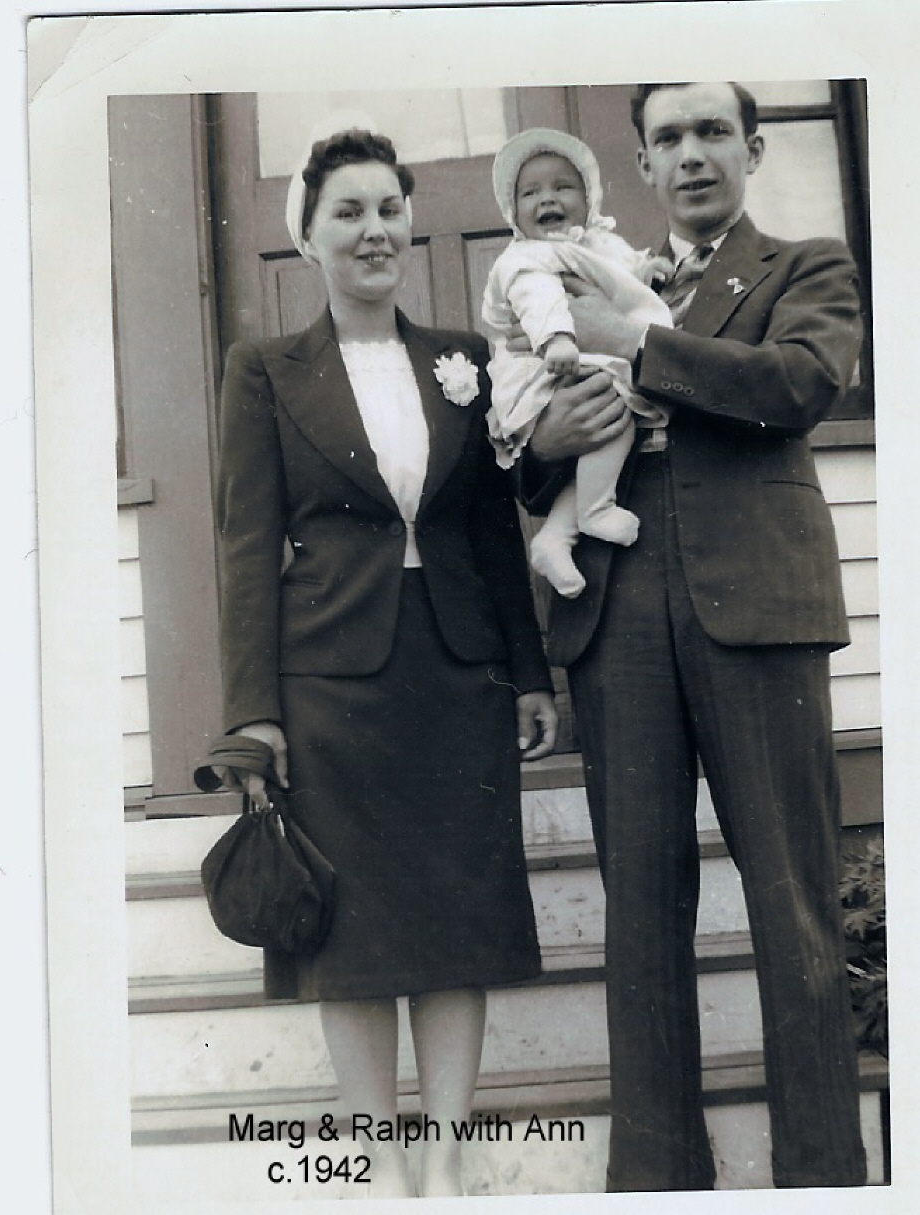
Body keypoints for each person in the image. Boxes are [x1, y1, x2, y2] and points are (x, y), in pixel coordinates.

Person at [518, 82, 868, 1191]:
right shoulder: (592, 269)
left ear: (752, 148)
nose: (692, 155)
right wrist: (552, 435)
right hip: (617, 609)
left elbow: (803, 383)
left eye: (712, 132)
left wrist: (643, 345)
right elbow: (536, 450)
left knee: (793, 902)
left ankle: (820, 1178)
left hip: (758, 612)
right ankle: (659, 1182)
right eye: (667, 138)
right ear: (644, 164)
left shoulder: (804, 265)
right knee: (640, 912)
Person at [216, 128, 557, 1199]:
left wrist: (532, 672)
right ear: (309, 238)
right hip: (329, 686)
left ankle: (447, 1166)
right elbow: (241, 543)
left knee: (459, 920)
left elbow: (493, 530)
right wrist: (253, 712)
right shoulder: (266, 370)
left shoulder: (461, 359)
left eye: (388, 208)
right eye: (348, 212)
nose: (375, 229)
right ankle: (378, 1169)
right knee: (348, 929)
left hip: (458, 674)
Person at [482, 128, 672, 599]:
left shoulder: (596, 245)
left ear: (590, 199)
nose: (548, 198)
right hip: (544, 366)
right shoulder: (525, 257)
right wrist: (558, 337)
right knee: (613, 405)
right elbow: (537, 295)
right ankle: (594, 511)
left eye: (563, 186)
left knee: (608, 421)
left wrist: (644, 270)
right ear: (514, 212)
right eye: (531, 192)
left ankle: (556, 535)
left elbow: (618, 272)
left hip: (579, 360)